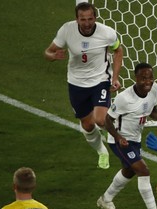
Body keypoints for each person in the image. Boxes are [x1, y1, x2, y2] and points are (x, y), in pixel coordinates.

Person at [44, 1, 124, 170]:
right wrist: (53, 55)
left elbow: (118, 50)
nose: (87, 23)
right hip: (76, 83)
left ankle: (119, 137)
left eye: (90, 19)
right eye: (83, 19)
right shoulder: (67, 30)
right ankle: (102, 151)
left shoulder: (107, 33)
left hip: (100, 80)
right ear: (77, 19)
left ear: (95, 17)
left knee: (100, 119)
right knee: (87, 125)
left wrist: (115, 77)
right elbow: (47, 52)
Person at [97, 62, 157, 209]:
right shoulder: (125, 98)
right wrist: (118, 137)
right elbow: (107, 120)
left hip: (135, 139)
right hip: (120, 141)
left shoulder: (154, 89)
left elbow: (152, 110)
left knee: (129, 171)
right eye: (144, 78)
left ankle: (105, 199)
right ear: (135, 78)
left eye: (150, 78)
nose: (148, 82)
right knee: (143, 170)